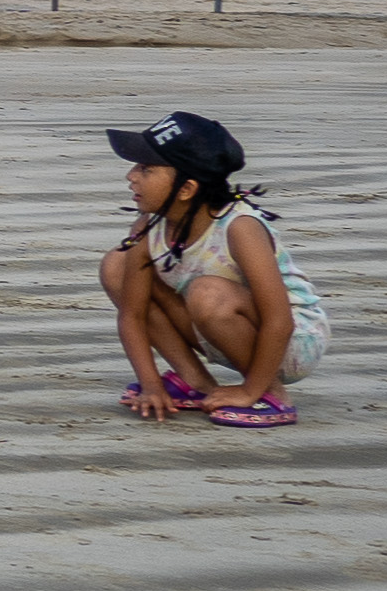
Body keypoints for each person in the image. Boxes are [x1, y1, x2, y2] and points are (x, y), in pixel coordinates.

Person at [103, 111, 324, 429]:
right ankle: (196, 382)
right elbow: (132, 315)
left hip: (291, 341)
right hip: (214, 326)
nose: (131, 176)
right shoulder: (147, 229)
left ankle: (271, 394)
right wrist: (150, 385)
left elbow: (280, 320)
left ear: (186, 189)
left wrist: (250, 390)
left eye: (146, 169)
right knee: (116, 265)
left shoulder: (239, 227)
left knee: (207, 292)